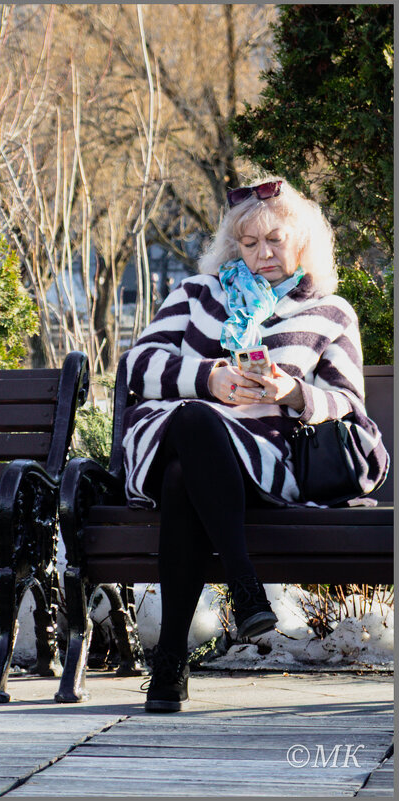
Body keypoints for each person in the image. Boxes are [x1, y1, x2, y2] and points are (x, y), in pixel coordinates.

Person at [121, 177, 389, 713]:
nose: (262, 254)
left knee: (183, 477)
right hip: (179, 430)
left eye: (275, 241)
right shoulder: (197, 295)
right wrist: (209, 380)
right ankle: (246, 588)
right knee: (195, 423)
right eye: (248, 244)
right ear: (232, 246)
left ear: (303, 241)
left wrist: (292, 393)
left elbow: (347, 403)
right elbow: (136, 365)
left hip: (264, 459)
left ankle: (170, 662)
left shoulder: (330, 312)